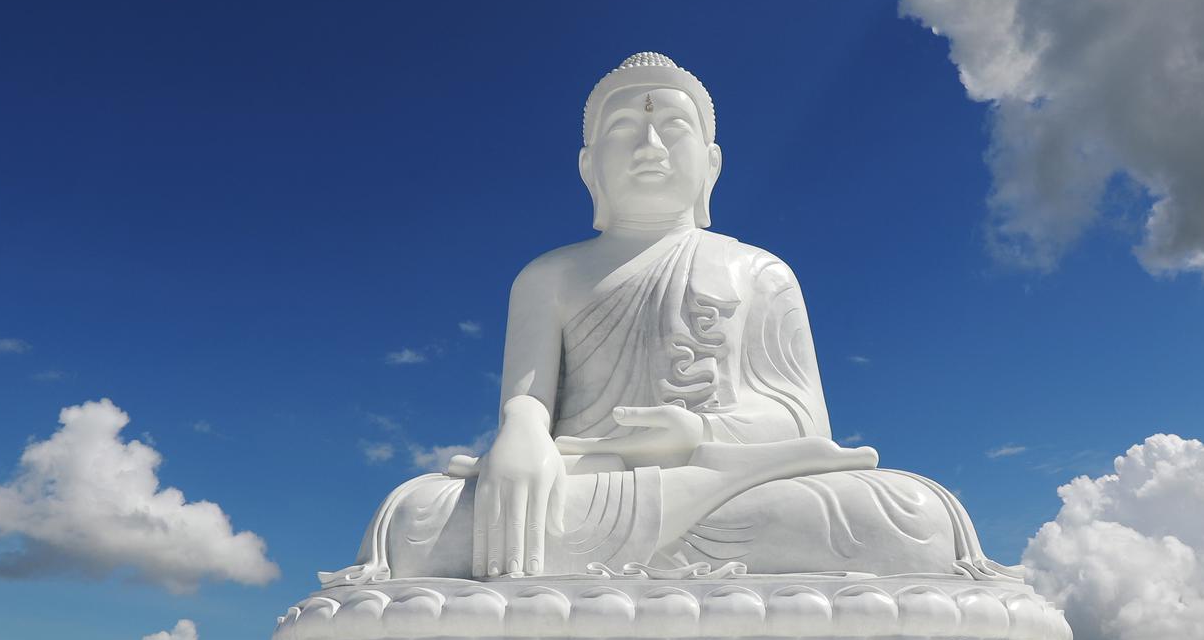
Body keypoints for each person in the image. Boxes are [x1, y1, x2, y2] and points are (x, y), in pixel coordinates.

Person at [333, 52, 1017, 584]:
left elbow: (804, 423)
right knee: (420, 519)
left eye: (673, 127)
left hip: (727, 490)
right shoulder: (549, 276)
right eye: (625, 129)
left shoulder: (760, 272)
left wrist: (693, 430)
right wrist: (521, 433)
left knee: (903, 516)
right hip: (582, 488)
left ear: (710, 165)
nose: (651, 145)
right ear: (588, 167)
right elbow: (529, 403)